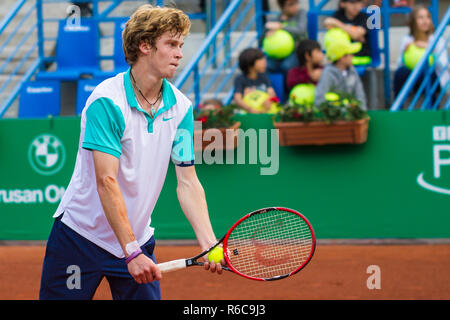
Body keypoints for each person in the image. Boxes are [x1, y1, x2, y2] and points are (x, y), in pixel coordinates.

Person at [39, 5, 223, 300]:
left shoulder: (182, 108)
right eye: (171, 44)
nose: (179, 54)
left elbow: (188, 181)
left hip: (137, 238)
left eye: (181, 46)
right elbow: (106, 182)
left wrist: (208, 240)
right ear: (145, 45)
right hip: (81, 238)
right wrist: (130, 251)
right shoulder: (107, 102)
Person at [393, 5, 447, 106]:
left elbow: (444, 65)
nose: (425, 21)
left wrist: (430, 49)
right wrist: (405, 52)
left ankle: (433, 109)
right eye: (420, 17)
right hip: (414, 76)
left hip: (434, 77)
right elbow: (400, 64)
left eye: (427, 17)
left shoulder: (437, 39)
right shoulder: (407, 39)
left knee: (426, 73)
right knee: (400, 73)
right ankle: (398, 107)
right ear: (414, 21)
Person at [315, 37, 367, 109]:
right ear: (342, 58)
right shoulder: (328, 73)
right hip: (332, 118)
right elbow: (319, 100)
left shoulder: (352, 71)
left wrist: (361, 113)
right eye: (350, 54)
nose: (353, 56)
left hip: (351, 117)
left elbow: (360, 96)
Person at [264, 0, 308, 75]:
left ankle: (287, 86)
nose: (295, 7)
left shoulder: (301, 13)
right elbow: (261, 39)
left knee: (287, 66)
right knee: (266, 65)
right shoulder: (275, 19)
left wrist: (281, 27)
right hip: (277, 52)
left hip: (296, 50)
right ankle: (268, 86)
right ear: (282, 7)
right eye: (291, 4)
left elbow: (300, 30)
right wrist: (267, 33)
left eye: (296, 3)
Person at [324, 0, 371, 65]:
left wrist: (337, 24)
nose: (357, 6)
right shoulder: (338, 15)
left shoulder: (365, 17)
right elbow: (327, 23)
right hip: (340, 56)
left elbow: (356, 35)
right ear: (342, 4)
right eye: (352, 2)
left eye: (359, 2)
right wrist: (352, 31)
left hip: (360, 56)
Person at [233, 48, 278, 114]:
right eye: (261, 60)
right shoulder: (240, 79)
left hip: (264, 113)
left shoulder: (264, 77)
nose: (264, 62)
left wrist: (269, 100)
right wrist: (250, 109)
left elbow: (273, 95)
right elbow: (237, 99)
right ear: (250, 63)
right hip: (248, 114)